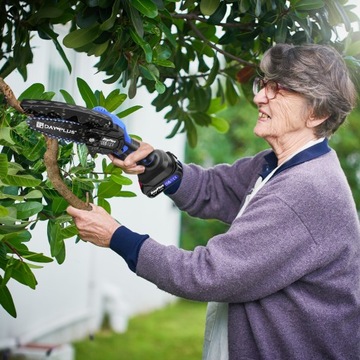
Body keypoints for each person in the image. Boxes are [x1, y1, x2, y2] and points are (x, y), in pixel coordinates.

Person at [67, 43, 360, 359]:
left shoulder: (305, 191)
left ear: (318, 113)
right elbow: (214, 188)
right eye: (265, 85)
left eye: (280, 90)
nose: (260, 97)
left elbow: (207, 274)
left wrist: (116, 237)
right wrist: (142, 156)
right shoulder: (277, 164)